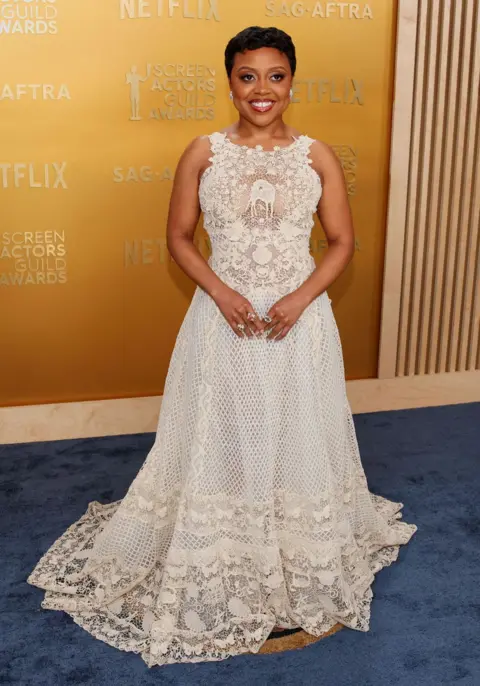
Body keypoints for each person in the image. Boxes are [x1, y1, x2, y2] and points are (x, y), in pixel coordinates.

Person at [27, 26, 417, 667]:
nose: (261, 90)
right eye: (247, 76)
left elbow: (343, 242)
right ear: (230, 81)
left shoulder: (316, 156)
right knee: (226, 426)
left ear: (292, 80)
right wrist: (221, 290)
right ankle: (229, 540)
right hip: (222, 319)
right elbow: (179, 237)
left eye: (274, 76)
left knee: (294, 428)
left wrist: (299, 297)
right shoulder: (203, 152)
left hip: (299, 322)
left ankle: (294, 543)